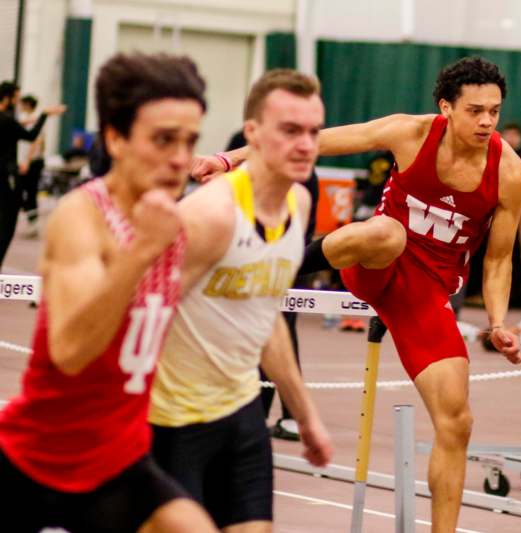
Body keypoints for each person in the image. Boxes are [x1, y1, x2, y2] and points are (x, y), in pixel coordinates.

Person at [195, 56, 521, 532]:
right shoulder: (409, 133)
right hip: (375, 264)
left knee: (457, 423)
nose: (487, 121)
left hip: (426, 296)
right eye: (475, 110)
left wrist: (496, 323)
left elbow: (498, 259)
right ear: (445, 108)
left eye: (494, 111)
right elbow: (317, 143)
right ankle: (281, 270)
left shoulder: (508, 173)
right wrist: (228, 160)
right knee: (386, 233)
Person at [0, 53, 217, 532]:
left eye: (190, 141)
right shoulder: (83, 216)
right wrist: (141, 251)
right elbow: (72, 351)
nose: (180, 157)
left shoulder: (182, 225)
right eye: (163, 139)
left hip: (117, 464)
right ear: (116, 138)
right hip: (35, 460)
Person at [148, 69, 332, 532]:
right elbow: (140, 319)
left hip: (242, 416)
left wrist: (306, 417)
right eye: (290, 131)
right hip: (173, 424)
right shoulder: (209, 216)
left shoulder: (298, 207)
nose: (306, 145)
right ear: (252, 133)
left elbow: (265, 318)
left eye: (313, 131)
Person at [223, 126, 322, 441]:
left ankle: (280, 414)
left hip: (289, 263)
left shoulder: (304, 187)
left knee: (280, 325)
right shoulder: (215, 203)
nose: (305, 144)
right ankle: (259, 412)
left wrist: (306, 417)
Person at [0, 81, 65, 270]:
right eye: (16, 98)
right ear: (8, 98)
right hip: (7, 174)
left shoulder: (7, 119)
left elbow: (18, 125)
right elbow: (30, 136)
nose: (18, 102)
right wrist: (44, 115)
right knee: (7, 224)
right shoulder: (7, 120)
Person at [16, 94, 46, 237]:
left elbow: (36, 142)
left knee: (29, 191)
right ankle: (31, 220)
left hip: (32, 162)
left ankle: (32, 223)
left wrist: (28, 161)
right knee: (24, 190)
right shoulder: (24, 117)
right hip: (27, 161)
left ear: (28, 104)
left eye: (22, 103)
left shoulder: (34, 118)